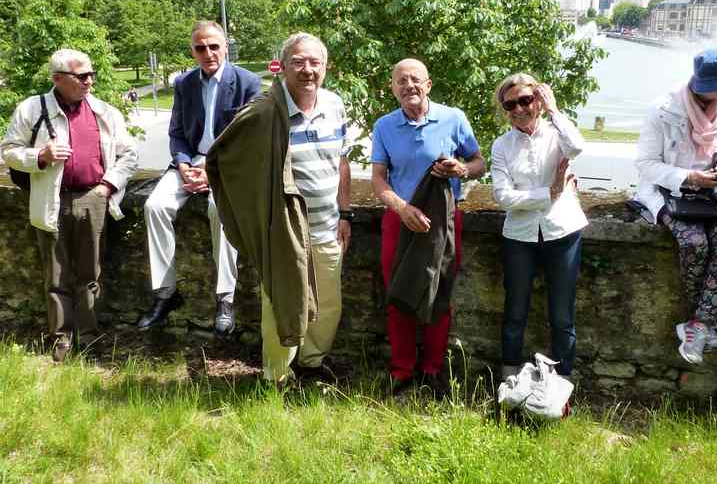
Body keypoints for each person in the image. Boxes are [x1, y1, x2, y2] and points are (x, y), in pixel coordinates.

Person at [207, 32, 352, 385]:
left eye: (315, 62)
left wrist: (346, 214)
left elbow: (343, 162)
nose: (307, 70)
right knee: (280, 306)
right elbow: (223, 158)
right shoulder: (265, 112)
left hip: (327, 225)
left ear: (326, 67)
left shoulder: (335, 105)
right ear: (283, 66)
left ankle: (311, 363)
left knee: (329, 305)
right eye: (298, 62)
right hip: (285, 231)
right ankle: (276, 376)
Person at [0, 49, 138, 361]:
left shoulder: (104, 111)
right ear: (58, 78)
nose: (90, 80)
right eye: (82, 75)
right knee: (56, 274)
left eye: (91, 74)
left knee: (91, 273)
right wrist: (40, 157)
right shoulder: (31, 109)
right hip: (50, 198)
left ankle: (89, 339)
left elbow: (129, 153)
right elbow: (8, 150)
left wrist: (107, 185)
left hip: (93, 197)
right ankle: (60, 340)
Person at [371, 58, 486, 396]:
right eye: (401, 81)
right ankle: (402, 370)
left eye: (415, 79)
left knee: (440, 293)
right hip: (400, 219)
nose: (409, 86)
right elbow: (378, 180)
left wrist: (461, 169)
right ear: (393, 88)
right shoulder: (384, 126)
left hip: (444, 223)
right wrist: (401, 208)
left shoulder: (453, 118)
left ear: (428, 84)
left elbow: (479, 163)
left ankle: (433, 370)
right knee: (398, 295)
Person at [138, 21, 261, 336]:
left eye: (214, 46)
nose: (208, 53)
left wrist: (212, 170)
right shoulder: (184, 83)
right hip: (189, 163)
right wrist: (182, 165)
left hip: (228, 167)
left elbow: (248, 140)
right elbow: (177, 133)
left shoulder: (248, 82)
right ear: (193, 51)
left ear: (225, 46)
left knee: (219, 211)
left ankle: (225, 298)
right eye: (200, 48)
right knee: (155, 207)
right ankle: (165, 294)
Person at [633, 47, 717, 365]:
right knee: (693, 243)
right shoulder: (662, 110)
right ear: (706, 86)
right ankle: (704, 323)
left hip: (716, 191)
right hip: (671, 192)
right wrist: (690, 176)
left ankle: (697, 324)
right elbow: (645, 164)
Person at [490, 73, 587, 380]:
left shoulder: (557, 133)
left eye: (526, 100)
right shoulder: (502, 145)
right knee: (515, 311)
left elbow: (577, 146)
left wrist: (555, 110)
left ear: (538, 102)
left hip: (563, 231)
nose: (519, 109)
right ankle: (508, 381)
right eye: (510, 104)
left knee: (561, 315)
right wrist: (550, 192)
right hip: (520, 236)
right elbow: (504, 196)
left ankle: (561, 383)